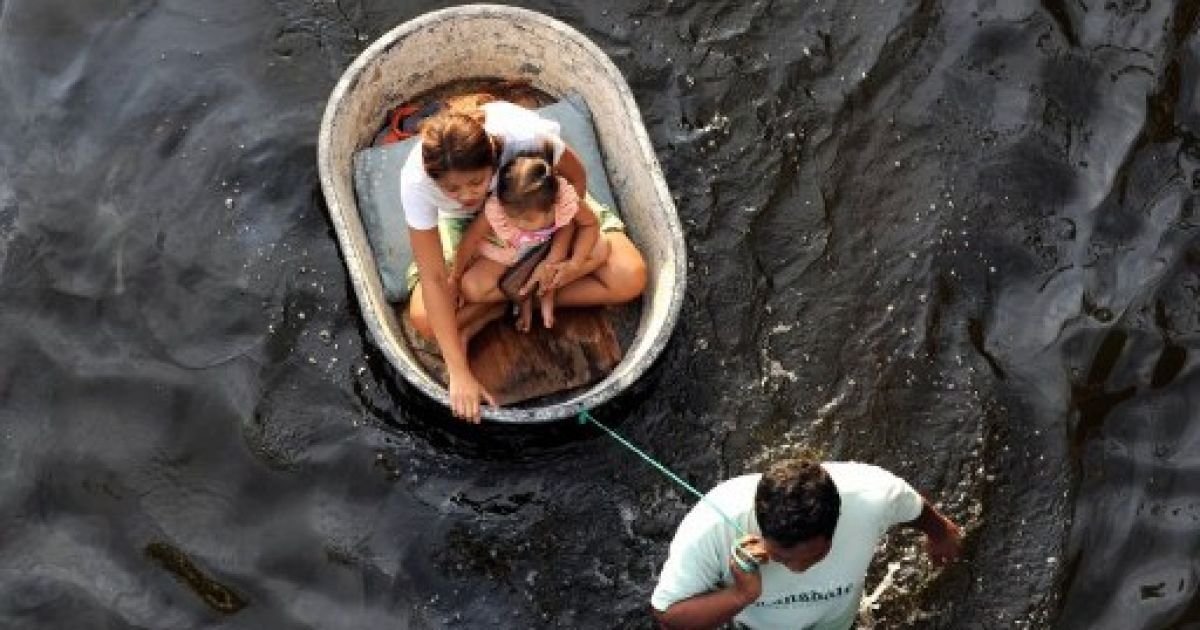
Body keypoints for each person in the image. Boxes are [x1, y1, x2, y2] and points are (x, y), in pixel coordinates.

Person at [400, 100, 647, 423]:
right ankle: (512, 300)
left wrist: (555, 255)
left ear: (493, 158)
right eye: (451, 189)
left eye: (476, 182)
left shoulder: (526, 138)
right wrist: (459, 371)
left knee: (631, 276)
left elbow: (576, 180)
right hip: (473, 226)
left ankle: (508, 298)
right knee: (426, 320)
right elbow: (434, 277)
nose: (466, 195)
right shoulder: (417, 181)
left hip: (541, 207)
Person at [651, 458, 963, 630]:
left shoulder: (873, 496)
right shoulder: (713, 525)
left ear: (833, 527)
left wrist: (940, 533)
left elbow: (912, 507)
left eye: (811, 557)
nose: (797, 569)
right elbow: (668, 614)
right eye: (782, 557)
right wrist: (740, 594)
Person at [450, 148, 608, 337]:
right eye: (512, 218)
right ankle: (523, 295)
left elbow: (589, 225)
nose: (517, 224)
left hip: (552, 248)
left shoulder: (563, 200)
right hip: (515, 254)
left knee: (601, 249)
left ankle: (540, 292)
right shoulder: (498, 208)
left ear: (551, 207)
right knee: (471, 287)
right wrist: (456, 277)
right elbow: (471, 239)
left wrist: (574, 264)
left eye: (526, 221)